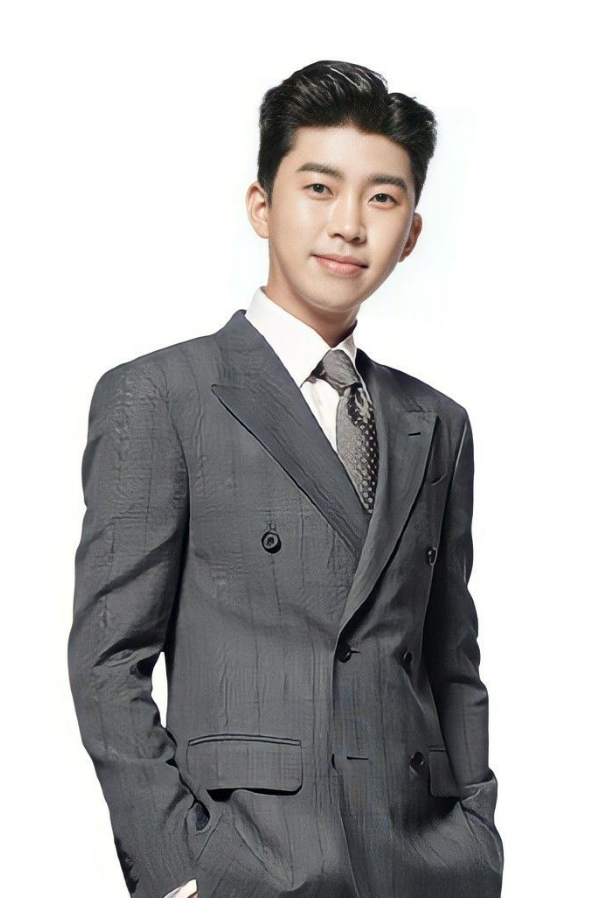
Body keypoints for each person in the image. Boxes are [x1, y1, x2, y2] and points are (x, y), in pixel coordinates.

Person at [68, 59, 504, 898]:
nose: (348, 225)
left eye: (381, 198)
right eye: (318, 188)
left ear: (411, 232)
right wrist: (179, 871)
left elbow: (451, 659)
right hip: (253, 862)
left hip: (423, 864)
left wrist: (475, 836)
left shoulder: (436, 422)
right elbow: (106, 659)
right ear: (261, 206)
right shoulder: (162, 396)